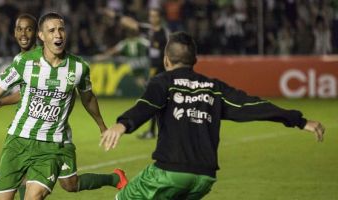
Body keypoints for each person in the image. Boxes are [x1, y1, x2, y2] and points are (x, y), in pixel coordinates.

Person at [100, 32, 325, 200]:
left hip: (170, 173)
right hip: (204, 179)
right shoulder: (214, 88)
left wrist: (122, 125)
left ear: (166, 60)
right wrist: (299, 121)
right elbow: (253, 105)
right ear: (194, 61)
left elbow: (146, 105)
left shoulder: (163, 82)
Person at [0, 12, 127, 200]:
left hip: (51, 145)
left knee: (39, 195)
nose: (58, 35)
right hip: (17, 141)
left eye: (61, 29)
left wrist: (103, 127)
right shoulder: (24, 62)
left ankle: (113, 179)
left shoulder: (78, 67)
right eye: (52, 30)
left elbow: (88, 98)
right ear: (42, 36)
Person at [105, 8, 169, 139]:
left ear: (160, 18)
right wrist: (117, 16)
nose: (151, 19)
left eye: (154, 16)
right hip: (155, 71)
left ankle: (160, 131)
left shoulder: (163, 33)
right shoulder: (150, 30)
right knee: (156, 102)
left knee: (156, 101)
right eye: (150, 16)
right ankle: (154, 131)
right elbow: (132, 23)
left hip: (163, 71)